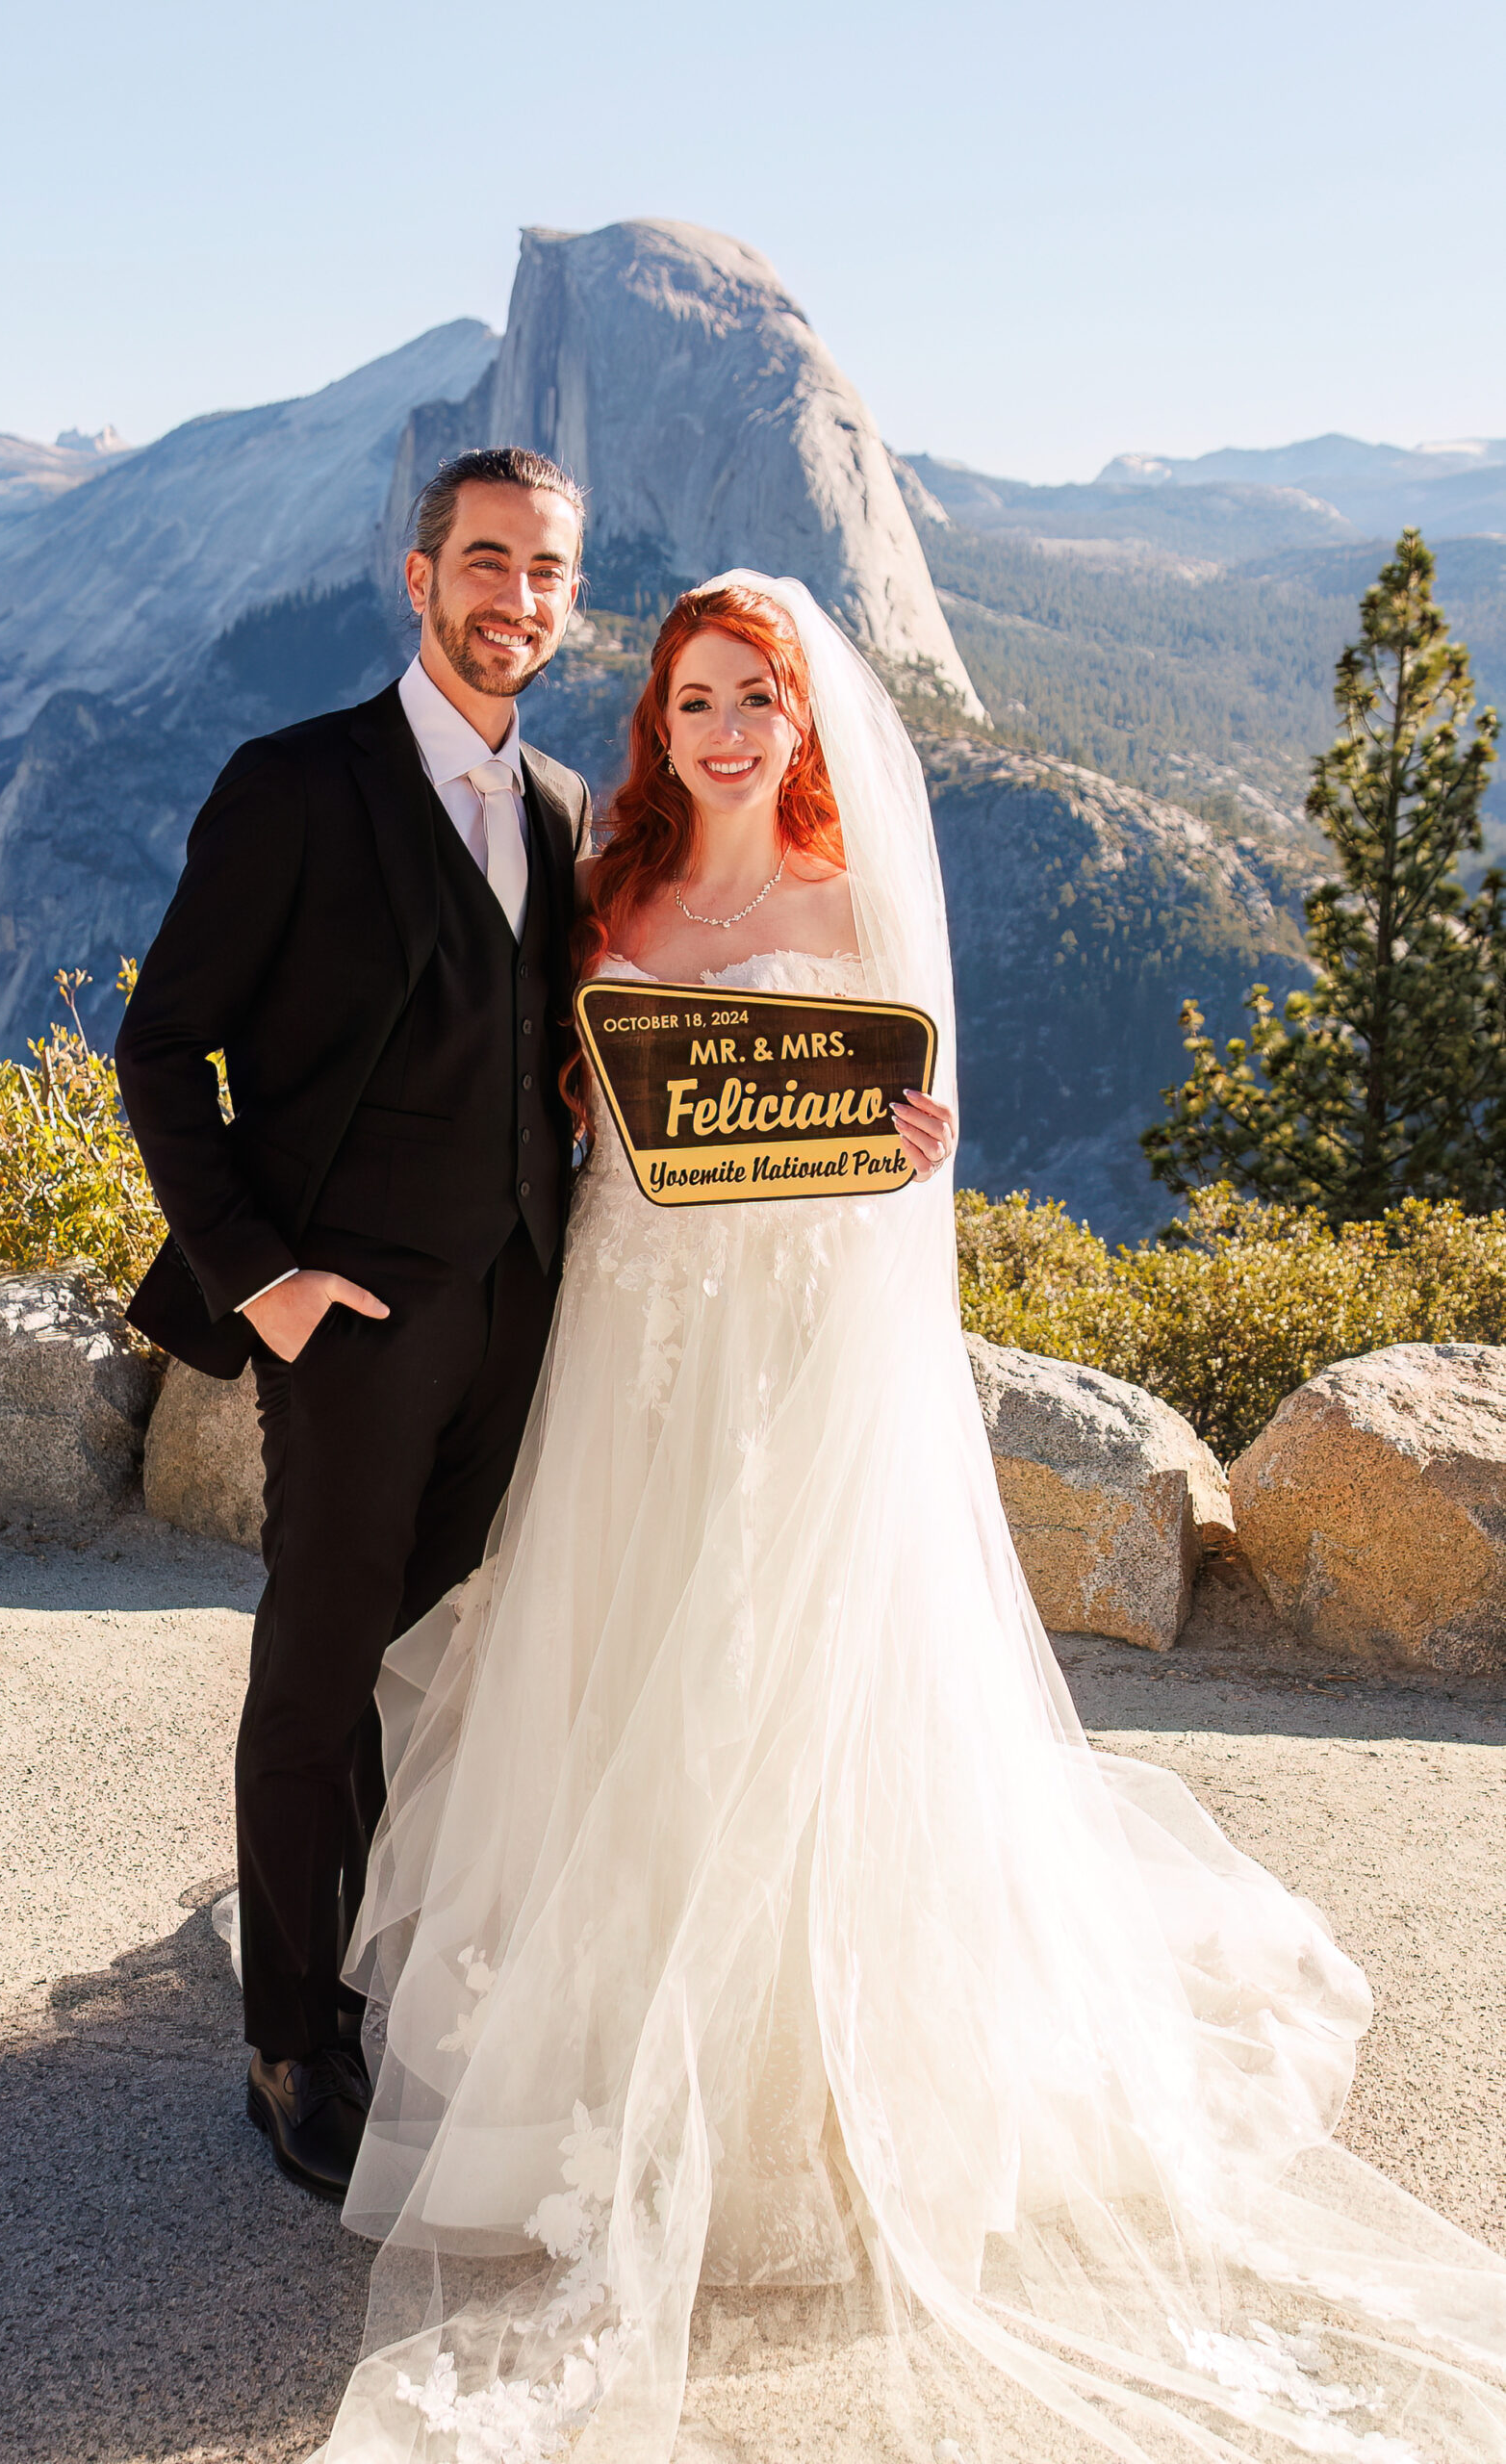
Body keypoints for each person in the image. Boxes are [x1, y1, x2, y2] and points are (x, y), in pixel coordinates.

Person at [311, 576, 1506, 2463]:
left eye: (755, 701)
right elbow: (555, 1110)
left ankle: (803, 2056)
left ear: (801, 721)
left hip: (796, 1344)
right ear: (662, 719)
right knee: (635, 1652)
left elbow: (897, 1136)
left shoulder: (851, 892)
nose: (722, 730)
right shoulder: (610, 888)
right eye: (694, 698)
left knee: (786, 1669)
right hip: (640, 1344)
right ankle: (606, 2026)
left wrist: (912, 1153)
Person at [115, 447, 593, 2200]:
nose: (512, 600)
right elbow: (164, 1048)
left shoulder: (558, 807)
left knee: (419, 1666)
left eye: (545, 573)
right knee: (315, 1679)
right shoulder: (294, 785)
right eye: (485, 561)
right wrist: (265, 1280)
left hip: (514, 1332)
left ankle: (378, 1975)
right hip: (349, 1329)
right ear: (418, 576)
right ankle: (289, 2046)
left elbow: (580, 1067)